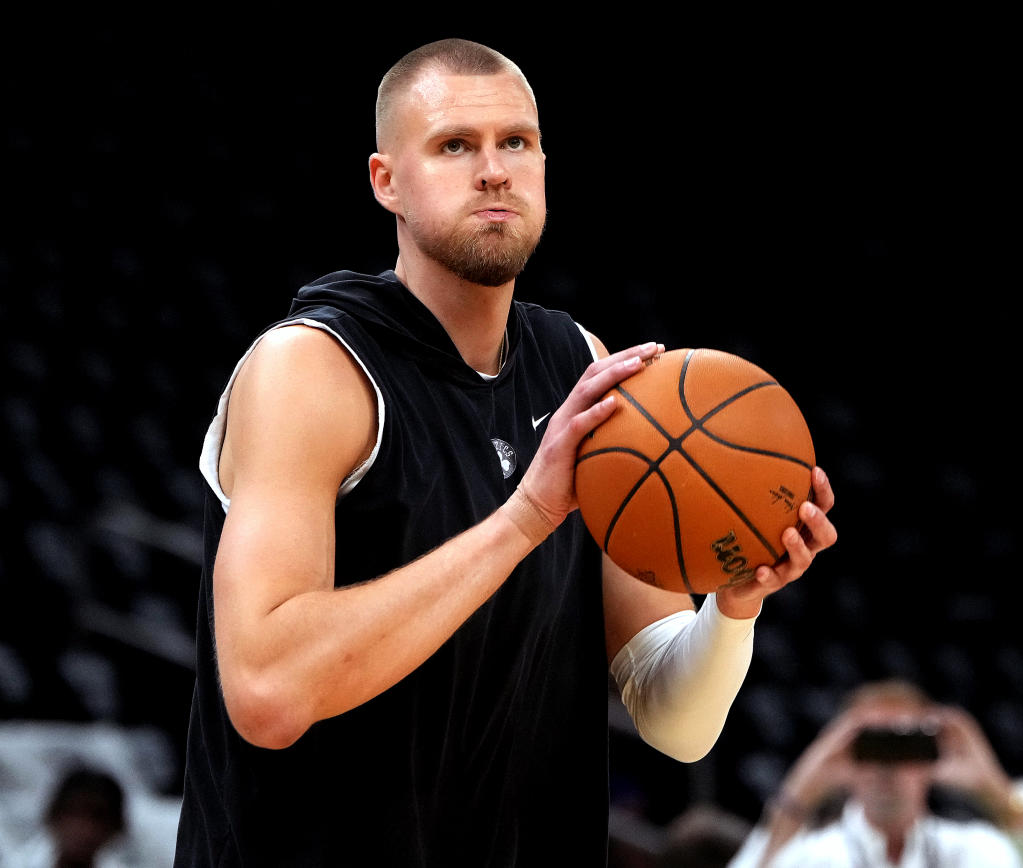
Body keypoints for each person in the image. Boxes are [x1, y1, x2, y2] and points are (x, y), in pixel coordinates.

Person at [172, 37, 837, 867]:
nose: (493, 171)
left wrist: (735, 606)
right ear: (387, 181)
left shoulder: (583, 369)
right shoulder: (313, 369)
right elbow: (267, 693)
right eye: (455, 145)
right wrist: (527, 513)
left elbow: (675, 724)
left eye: (515, 143)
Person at [727, 679, 1023, 867]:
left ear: (931, 756)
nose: (888, 764)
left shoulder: (973, 849)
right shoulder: (815, 856)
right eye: (871, 745)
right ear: (845, 758)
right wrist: (800, 793)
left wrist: (994, 791)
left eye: (905, 745)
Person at [5, 767, 129, 868]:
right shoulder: (16, 863)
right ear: (54, 816)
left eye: (97, 817)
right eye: (74, 813)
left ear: (115, 827)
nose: (84, 828)